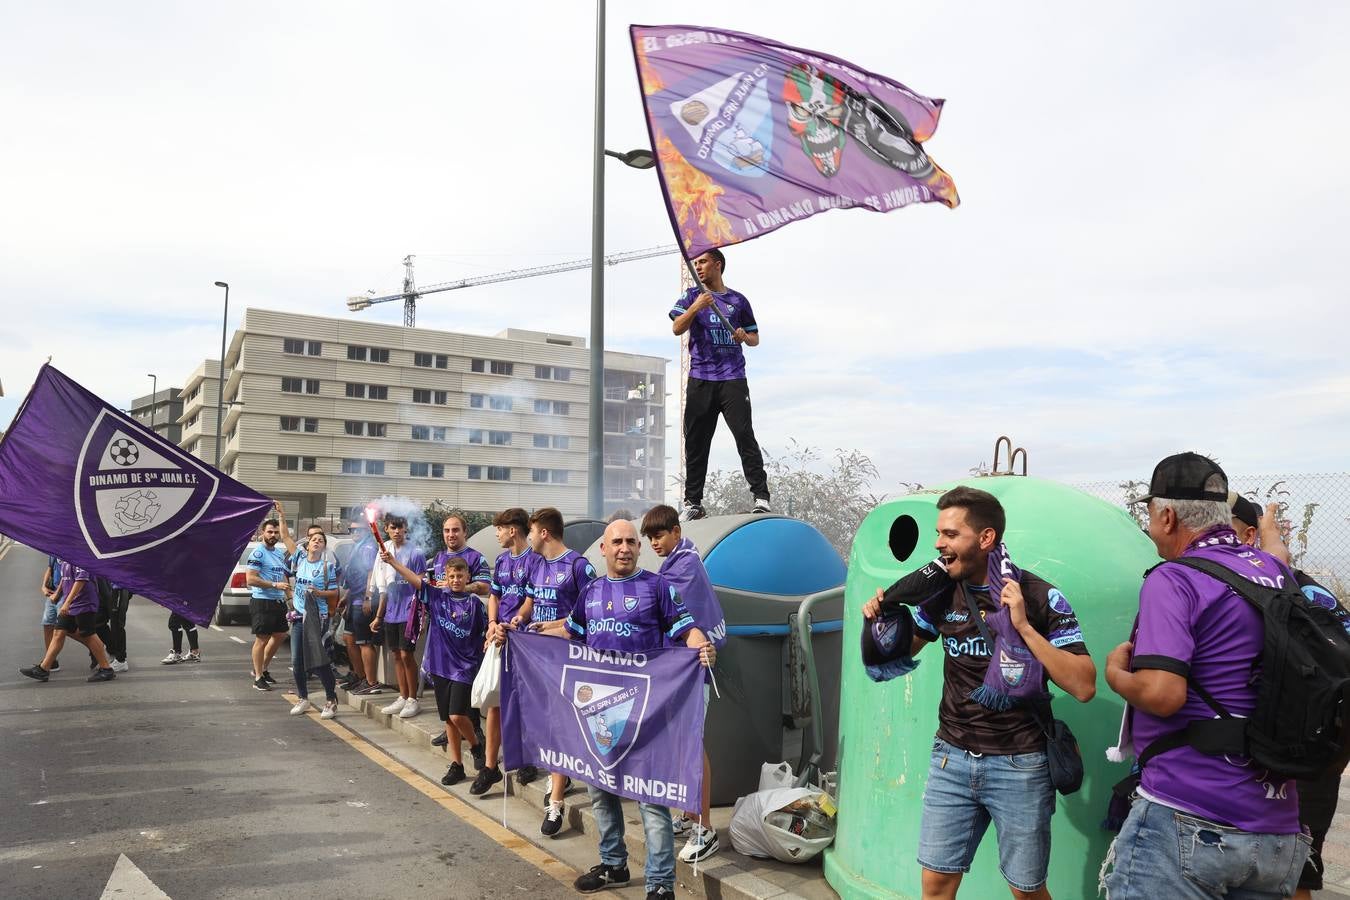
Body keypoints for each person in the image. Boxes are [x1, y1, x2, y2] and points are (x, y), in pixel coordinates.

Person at [861, 486, 1096, 900]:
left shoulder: (1040, 597)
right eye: (939, 533)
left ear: (985, 539)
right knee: (935, 886)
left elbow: (1083, 684)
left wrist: (1023, 627)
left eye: (951, 534)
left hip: (1020, 764)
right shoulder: (939, 590)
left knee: (1026, 891)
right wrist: (883, 618)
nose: (938, 543)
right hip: (951, 758)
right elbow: (907, 647)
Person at [1102, 453, 1310, 899]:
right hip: (1277, 831)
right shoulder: (1272, 572)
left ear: (1168, 516)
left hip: (1190, 817)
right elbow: (1278, 555)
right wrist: (1272, 536)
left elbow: (1162, 694)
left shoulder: (1174, 579)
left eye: (1151, 516)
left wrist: (1115, 673)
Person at [534, 519, 715, 900]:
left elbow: (688, 630)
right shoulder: (592, 591)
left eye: (632, 541)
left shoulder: (659, 587)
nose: (625, 548)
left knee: (652, 802)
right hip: (599, 713)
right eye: (617, 541)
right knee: (601, 794)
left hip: (647, 716)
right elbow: (571, 632)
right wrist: (517, 632)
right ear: (604, 548)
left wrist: (702, 646)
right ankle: (614, 865)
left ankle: (661, 884)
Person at [1233, 494, 1345, 900]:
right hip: (1270, 756)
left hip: (1298, 753)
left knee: (1293, 876)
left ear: (1250, 535)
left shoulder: (1296, 593)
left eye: (1218, 526)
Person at [640, 503, 726, 863]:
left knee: (691, 747)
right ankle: (690, 815)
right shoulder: (678, 561)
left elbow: (657, 607)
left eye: (659, 535)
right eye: (650, 537)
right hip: (680, 671)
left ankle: (705, 827)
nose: (654, 543)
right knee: (681, 746)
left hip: (692, 671)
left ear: (677, 531)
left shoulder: (685, 566)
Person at [670, 248, 769, 519]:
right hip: (701, 378)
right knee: (696, 441)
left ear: (718, 265)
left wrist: (742, 336)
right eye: (695, 263)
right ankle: (693, 503)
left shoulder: (738, 300)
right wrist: (696, 307)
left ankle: (761, 496)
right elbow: (677, 327)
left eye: (703, 262)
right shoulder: (692, 296)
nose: (698, 267)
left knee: (744, 435)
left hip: (733, 379)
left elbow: (754, 338)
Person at [516, 506, 596, 836]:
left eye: (531, 531)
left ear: (544, 533)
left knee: (562, 727)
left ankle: (556, 803)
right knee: (550, 726)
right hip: (542, 659)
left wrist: (556, 628)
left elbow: (589, 615)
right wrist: (520, 621)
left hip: (572, 660)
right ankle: (560, 773)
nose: (529, 537)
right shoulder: (537, 565)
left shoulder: (579, 566)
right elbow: (533, 604)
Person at [386, 554, 488, 785]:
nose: (455, 580)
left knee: (456, 714)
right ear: (445, 578)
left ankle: (475, 745)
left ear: (467, 577)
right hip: (440, 667)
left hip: (465, 668)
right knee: (449, 721)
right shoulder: (436, 596)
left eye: (460, 576)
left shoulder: (475, 604)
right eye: (451, 576)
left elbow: (485, 633)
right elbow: (415, 580)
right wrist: (393, 562)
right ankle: (457, 765)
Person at [471, 507, 537, 796]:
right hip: (500, 637)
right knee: (495, 701)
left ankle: (526, 757)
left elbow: (532, 600)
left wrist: (514, 623)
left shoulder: (535, 559)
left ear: (513, 530)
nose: (497, 533)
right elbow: (494, 596)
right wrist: (492, 624)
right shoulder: (501, 559)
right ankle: (490, 766)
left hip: (524, 639)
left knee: (525, 702)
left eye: (500, 528)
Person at [368, 515, 426, 718]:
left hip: (409, 611)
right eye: (393, 528)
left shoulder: (416, 552)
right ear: (386, 529)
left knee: (406, 654)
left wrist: (422, 613)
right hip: (391, 611)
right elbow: (384, 587)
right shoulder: (384, 551)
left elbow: (420, 582)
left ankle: (413, 699)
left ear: (406, 529)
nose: (397, 531)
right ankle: (402, 696)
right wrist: (378, 616)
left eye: (401, 527)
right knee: (395, 654)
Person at [21, 560, 117, 683]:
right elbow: (64, 579)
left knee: (88, 634)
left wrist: (67, 603)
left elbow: (81, 580)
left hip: (84, 601)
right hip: (71, 602)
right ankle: (43, 669)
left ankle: (106, 669)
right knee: (58, 632)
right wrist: (59, 593)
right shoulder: (66, 556)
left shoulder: (79, 555)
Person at [289, 530, 341, 720]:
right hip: (298, 617)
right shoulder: (301, 559)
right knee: (297, 661)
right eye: (314, 540)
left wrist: (319, 593)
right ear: (308, 544)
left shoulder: (326, 567)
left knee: (318, 661)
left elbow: (334, 593)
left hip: (317, 618)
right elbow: (286, 538)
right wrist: (281, 515)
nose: (317, 542)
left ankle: (331, 699)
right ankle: (303, 697)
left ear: (323, 547)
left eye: (321, 541)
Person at [245, 505, 296, 691]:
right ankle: (258, 677)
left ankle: (263, 669)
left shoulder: (277, 552)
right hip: (262, 601)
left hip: (278, 601)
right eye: (270, 532)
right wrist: (274, 585)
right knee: (262, 639)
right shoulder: (258, 552)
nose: (273, 535)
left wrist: (289, 597)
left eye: (275, 532)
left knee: (281, 635)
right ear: (262, 533)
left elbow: (282, 576)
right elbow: (250, 579)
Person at [342, 532, 381, 695]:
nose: (354, 533)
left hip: (362, 600)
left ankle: (371, 682)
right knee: (348, 638)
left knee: (364, 642)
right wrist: (345, 597)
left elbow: (371, 573)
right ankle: (360, 677)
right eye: (350, 529)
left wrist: (368, 597)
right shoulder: (358, 546)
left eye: (358, 529)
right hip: (353, 599)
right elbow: (354, 575)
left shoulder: (368, 547)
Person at [38, 555, 62, 673]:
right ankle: (51, 661)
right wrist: (43, 586)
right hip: (52, 593)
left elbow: (67, 576)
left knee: (66, 629)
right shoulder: (53, 549)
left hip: (64, 594)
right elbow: (50, 568)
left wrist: (57, 594)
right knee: (48, 624)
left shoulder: (68, 549)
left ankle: (95, 648)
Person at [105, 581, 132, 672]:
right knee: (112, 624)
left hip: (119, 588)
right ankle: (116, 654)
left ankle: (121, 660)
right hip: (113, 589)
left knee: (117, 625)